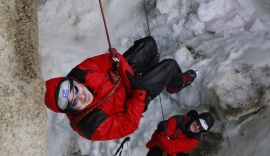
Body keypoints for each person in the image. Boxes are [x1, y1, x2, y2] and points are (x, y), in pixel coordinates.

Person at [45, 36, 197, 141]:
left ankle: (150, 71)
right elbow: (128, 125)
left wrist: (127, 77)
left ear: (72, 81)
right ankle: (176, 85)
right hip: (134, 100)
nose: (81, 96)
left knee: (148, 45)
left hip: (125, 79)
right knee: (169, 66)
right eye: (73, 102)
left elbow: (108, 60)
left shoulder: (79, 73)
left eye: (76, 90)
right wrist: (138, 92)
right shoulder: (89, 125)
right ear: (69, 111)